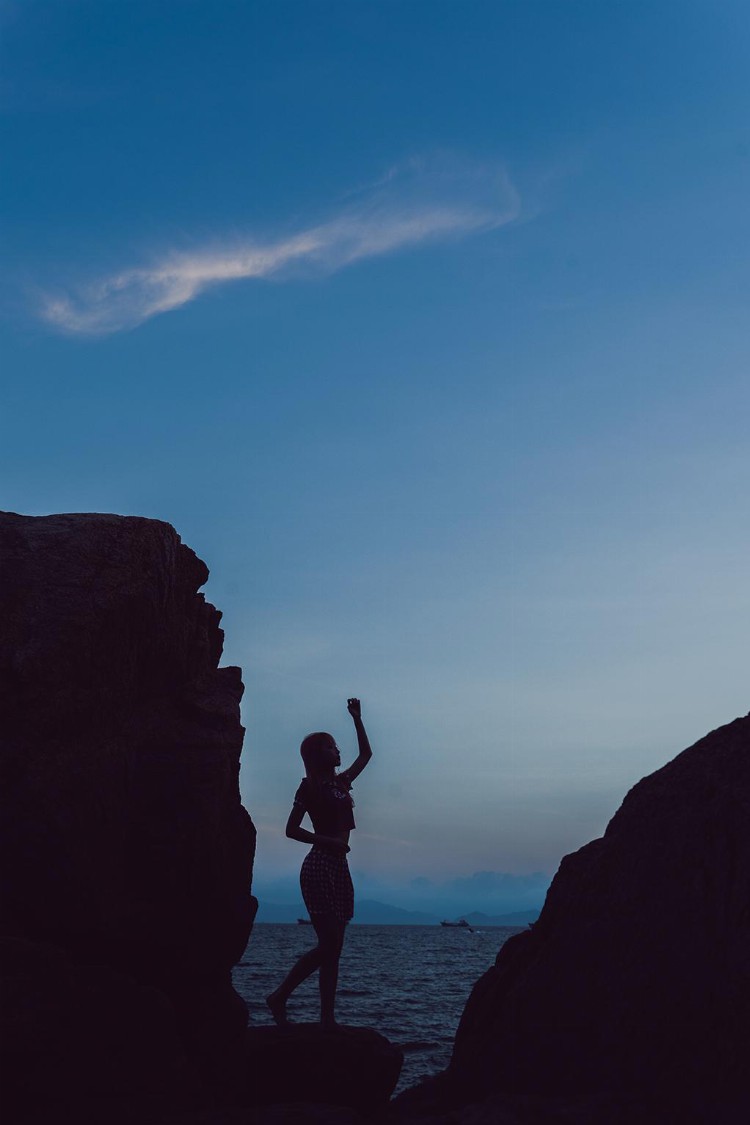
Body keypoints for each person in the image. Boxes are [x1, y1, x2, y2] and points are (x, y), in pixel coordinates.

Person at [265, 697, 373, 1031]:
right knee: (329, 945)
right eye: (329, 747)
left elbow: (366, 755)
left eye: (336, 746)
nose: (336, 751)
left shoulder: (341, 783)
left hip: (340, 867)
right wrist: (327, 841)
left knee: (334, 948)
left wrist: (357, 719)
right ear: (315, 755)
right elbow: (291, 829)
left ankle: (326, 1016)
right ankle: (281, 995)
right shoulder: (308, 786)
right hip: (319, 865)